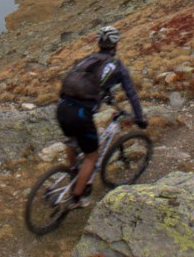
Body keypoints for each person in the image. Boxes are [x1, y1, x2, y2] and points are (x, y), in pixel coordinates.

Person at [56, 25, 147, 209]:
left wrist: (105, 96)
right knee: (92, 156)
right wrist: (140, 118)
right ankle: (76, 199)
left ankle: (74, 172)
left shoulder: (87, 60)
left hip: (62, 107)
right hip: (81, 113)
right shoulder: (117, 66)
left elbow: (87, 83)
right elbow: (131, 94)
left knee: (72, 140)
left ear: (99, 43)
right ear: (116, 44)